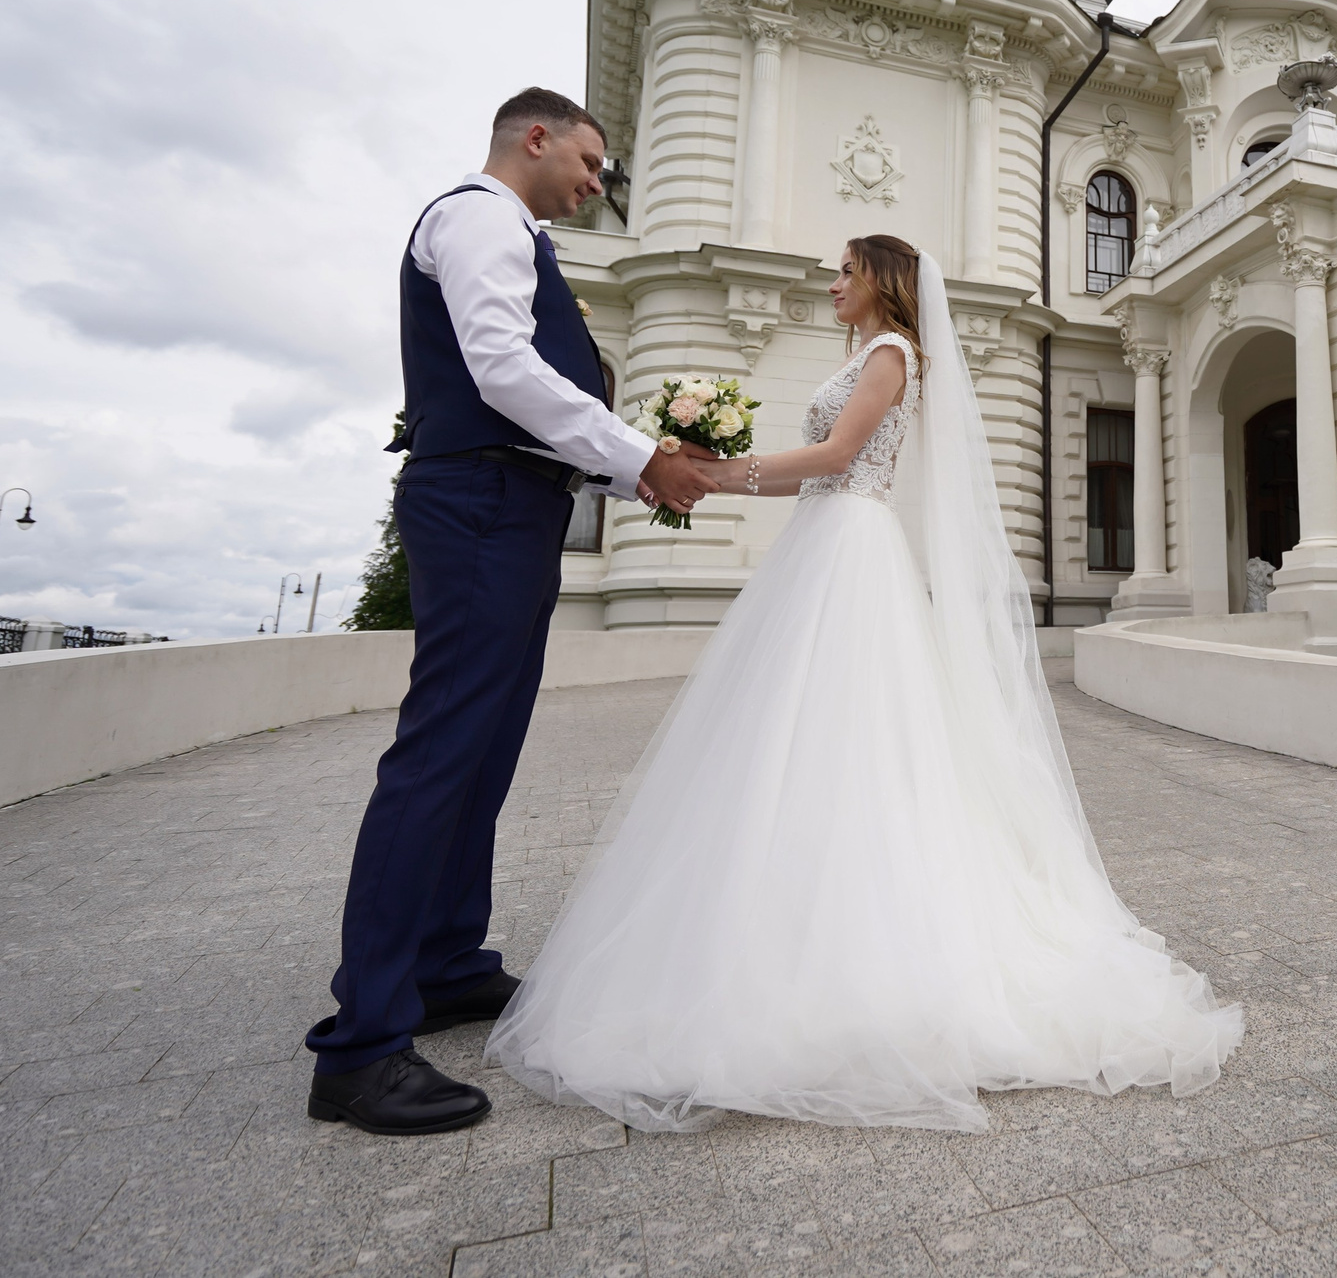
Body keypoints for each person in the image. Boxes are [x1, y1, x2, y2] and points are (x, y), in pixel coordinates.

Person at [488, 236, 1243, 1132]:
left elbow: (842, 455)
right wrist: (714, 469)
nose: (832, 280)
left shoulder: (891, 355)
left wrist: (721, 473)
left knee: (844, 735)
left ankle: (849, 939)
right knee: (791, 739)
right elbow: (823, 465)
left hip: (851, 549)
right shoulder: (866, 355)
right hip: (824, 544)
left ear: (883, 282)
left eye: (845, 269)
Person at [305, 88, 721, 1137]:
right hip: (484, 500)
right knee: (443, 752)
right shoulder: (482, 215)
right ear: (534, 138)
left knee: (482, 751)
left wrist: (627, 472)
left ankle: (446, 964)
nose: (596, 183)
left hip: (515, 503)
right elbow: (500, 366)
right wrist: (642, 460)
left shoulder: (516, 231)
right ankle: (360, 1048)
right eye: (589, 161)